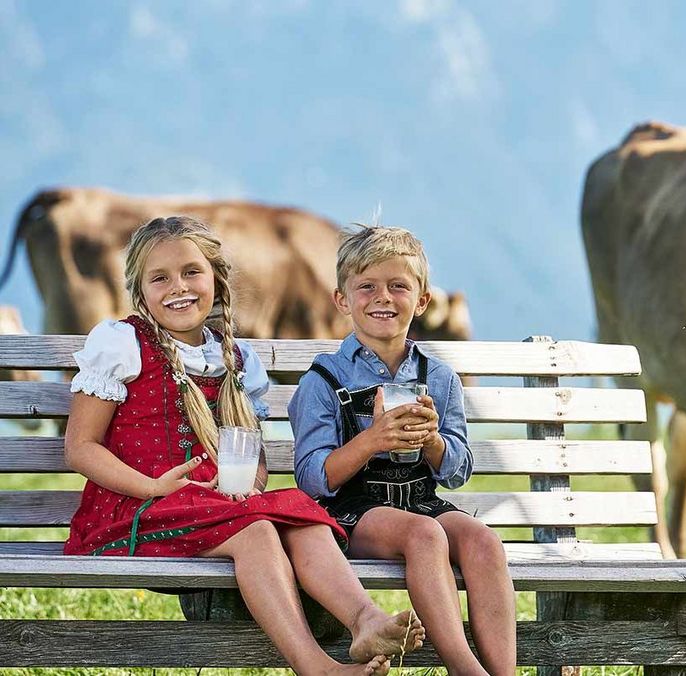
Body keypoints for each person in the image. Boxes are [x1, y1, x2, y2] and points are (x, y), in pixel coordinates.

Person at [63, 216, 424, 676]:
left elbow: (250, 453)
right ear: (140, 290)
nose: (179, 287)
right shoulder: (121, 344)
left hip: (209, 507)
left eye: (192, 272)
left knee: (300, 514)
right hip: (134, 510)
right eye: (160, 278)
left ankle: (365, 620)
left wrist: (249, 486)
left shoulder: (234, 359)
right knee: (255, 532)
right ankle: (315, 666)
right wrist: (151, 487)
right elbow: (80, 448)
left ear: (216, 278)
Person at [290, 225, 516, 675]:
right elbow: (313, 477)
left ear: (423, 300)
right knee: (425, 534)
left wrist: (433, 443)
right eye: (367, 287)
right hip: (353, 511)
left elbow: (458, 470)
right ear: (342, 300)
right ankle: (464, 669)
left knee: (483, 541)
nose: (383, 298)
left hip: (422, 500)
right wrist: (372, 440)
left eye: (398, 286)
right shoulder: (323, 381)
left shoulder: (440, 378)